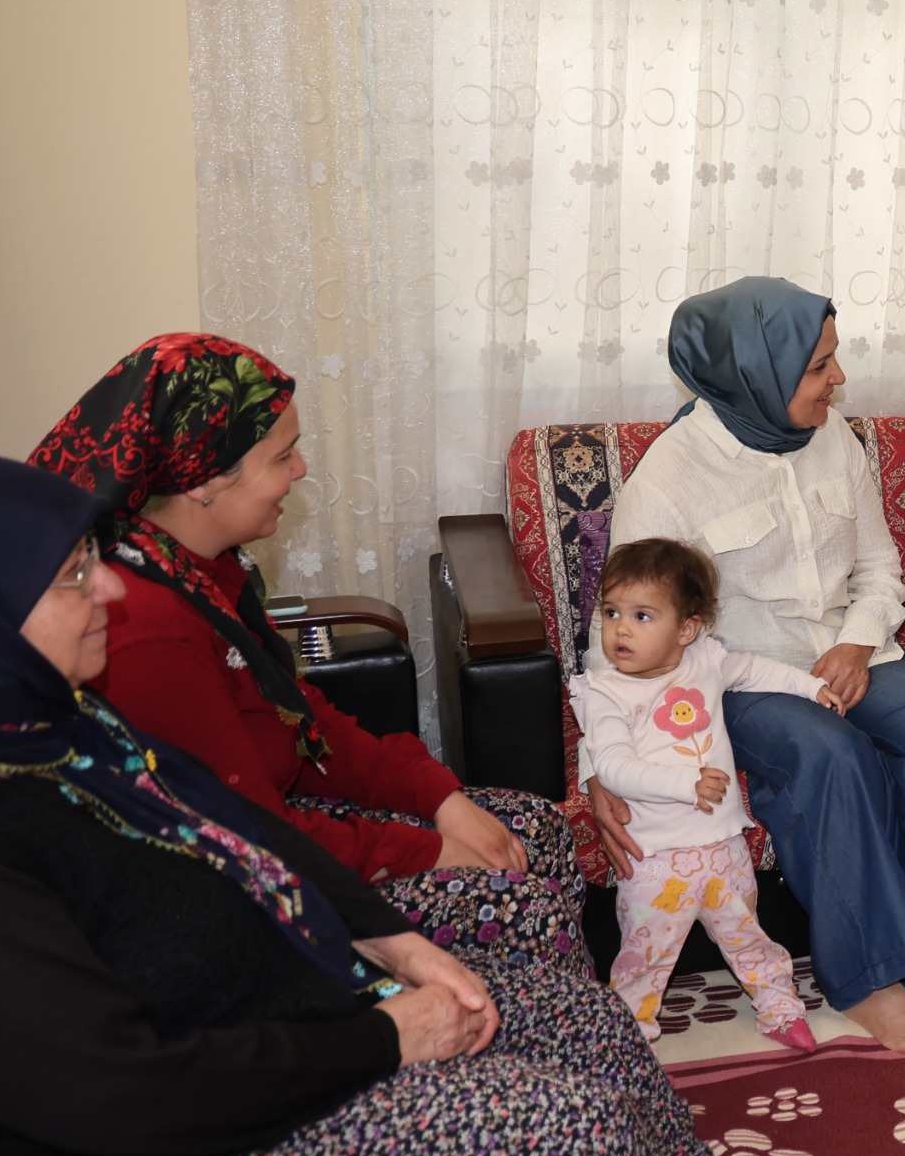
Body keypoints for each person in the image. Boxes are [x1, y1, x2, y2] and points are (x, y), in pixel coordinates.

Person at [0, 455, 905, 1156]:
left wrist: (392, 938)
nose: (110, 589)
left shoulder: (64, 732)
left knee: (581, 1019)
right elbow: (119, 1095)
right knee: (569, 1131)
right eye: (74, 576)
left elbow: (251, 832)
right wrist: (385, 1035)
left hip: (284, 1015)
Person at [29, 334, 583, 969]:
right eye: (281, 456)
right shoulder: (148, 625)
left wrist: (437, 797)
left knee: (538, 830)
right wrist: (423, 852)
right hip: (246, 894)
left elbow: (302, 720)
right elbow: (246, 836)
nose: (300, 469)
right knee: (520, 908)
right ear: (205, 479)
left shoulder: (200, 569)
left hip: (284, 819)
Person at [594, 278, 905, 1056]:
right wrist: (599, 763)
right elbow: (621, 626)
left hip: (851, 652)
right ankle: (870, 979)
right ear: (757, 371)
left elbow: (880, 567)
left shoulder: (833, 436)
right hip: (744, 678)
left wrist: (857, 641)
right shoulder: (671, 477)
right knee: (829, 750)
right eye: (819, 367)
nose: (838, 379)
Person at [573, 537, 847, 1051]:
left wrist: (811, 687)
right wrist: (686, 783)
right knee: (642, 960)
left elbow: (756, 669)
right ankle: (630, 1040)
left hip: (723, 849)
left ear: (687, 629)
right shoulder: (605, 692)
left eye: (642, 615)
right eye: (611, 612)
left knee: (750, 939)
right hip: (654, 861)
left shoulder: (705, 661)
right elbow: (613, 767)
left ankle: (780, 1009)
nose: (621, 629)